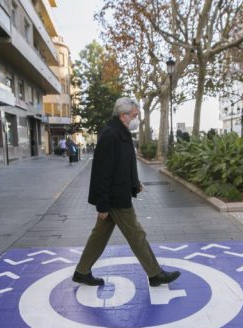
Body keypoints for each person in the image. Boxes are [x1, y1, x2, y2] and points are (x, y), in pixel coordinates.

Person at [72, 97, 181, 288]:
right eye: (134, 115)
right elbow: (103, 172)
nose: (137, 119)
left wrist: (134, 183)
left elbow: (123, 164)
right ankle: (155, 274)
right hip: (115, 199)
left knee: (99, 236)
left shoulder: (121, 133)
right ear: (123, 116)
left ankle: (82, 272)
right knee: (137, 234)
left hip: (119, 193)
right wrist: (103, 204)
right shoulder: (110, 135)